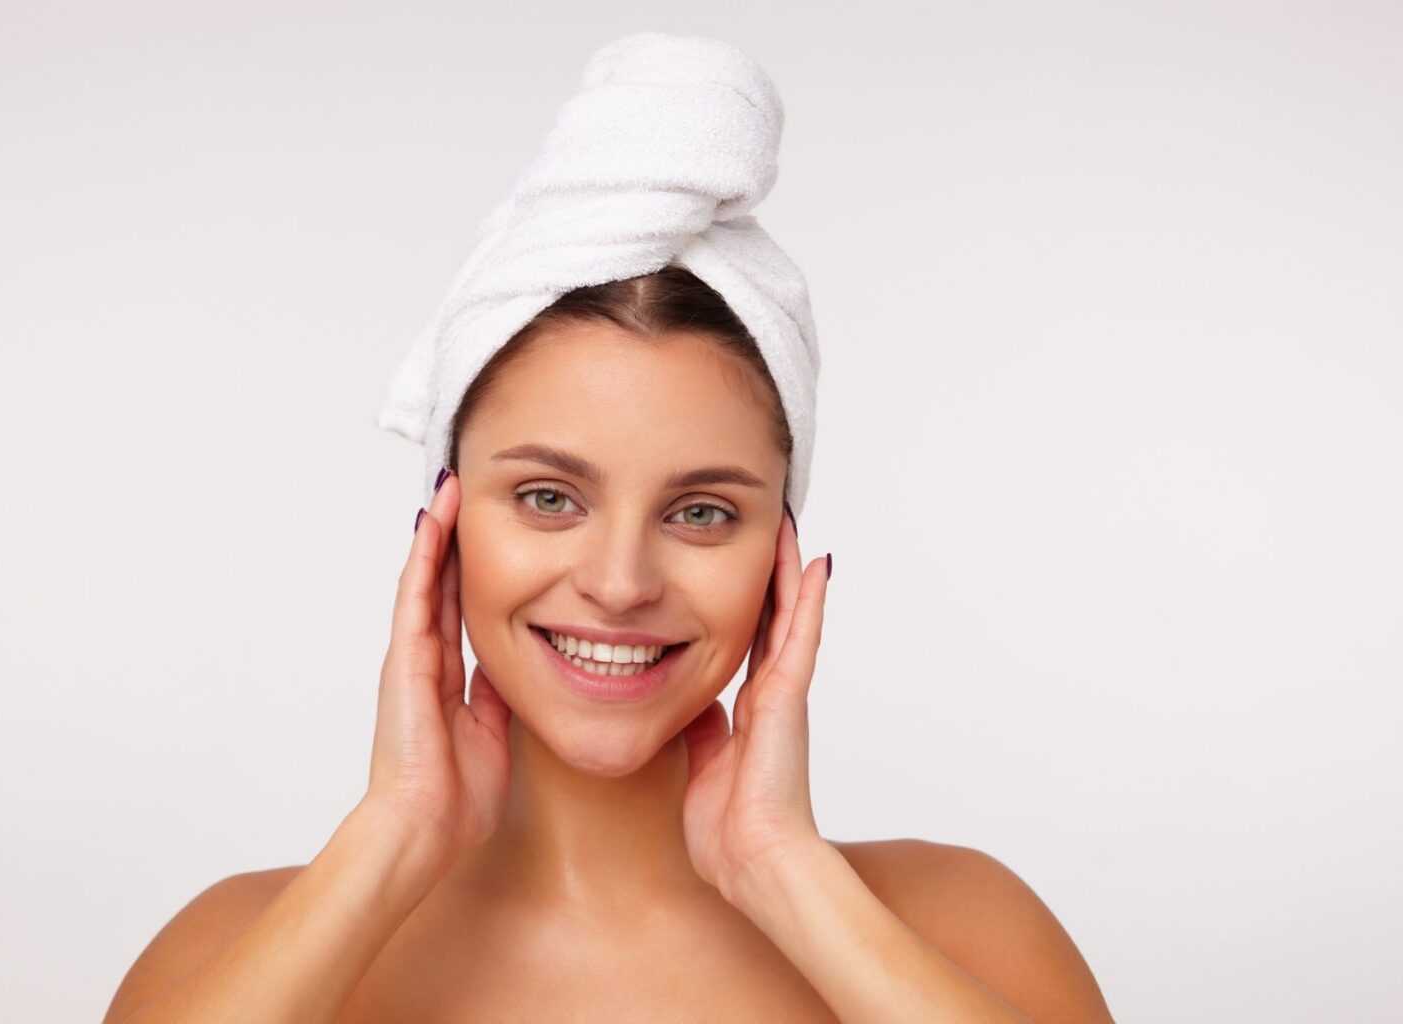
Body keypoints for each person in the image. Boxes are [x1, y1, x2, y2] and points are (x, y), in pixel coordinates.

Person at [103, 32, 1114, 1024]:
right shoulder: (231, 950)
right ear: (446, 521)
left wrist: (785, 872)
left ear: (780, 550)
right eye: (549, 497)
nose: (622, 582)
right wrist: (393, 837)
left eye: (701, 512)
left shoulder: (968, 930)